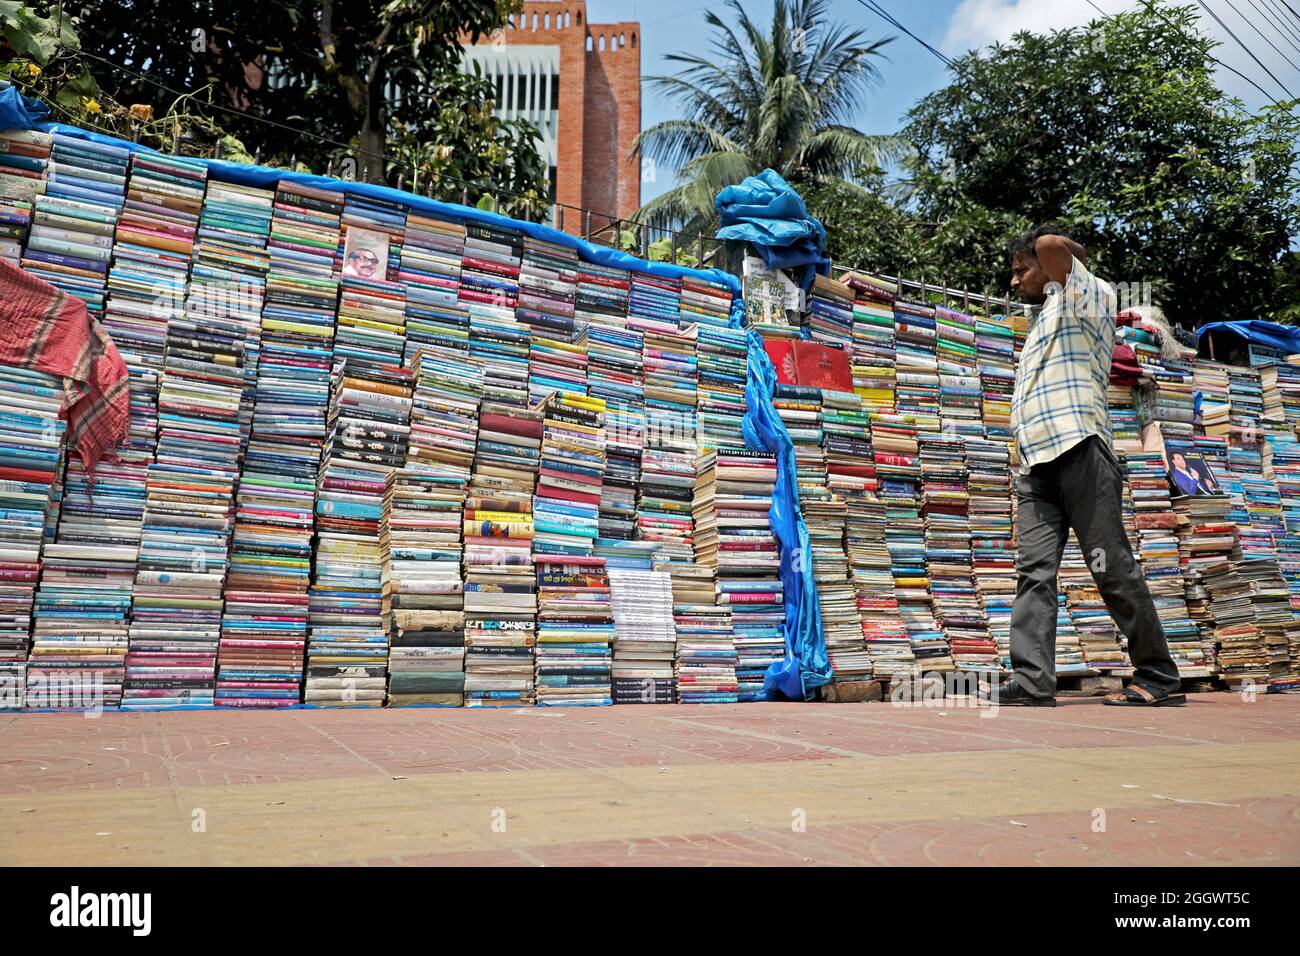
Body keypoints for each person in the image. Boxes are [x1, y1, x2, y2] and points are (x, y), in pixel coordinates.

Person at [991, 225, 1184, 707]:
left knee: (1109, 564)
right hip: (1037, 463)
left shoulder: (1085, 295)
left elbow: (1052, 246)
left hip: (1080, 449)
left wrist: (1045, 248)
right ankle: (1034, 683)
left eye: (1020, 270)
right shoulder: (1041, 323)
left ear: (1048, 268)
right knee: (1034, 571)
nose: (1013, 283)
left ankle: (1157, 674)